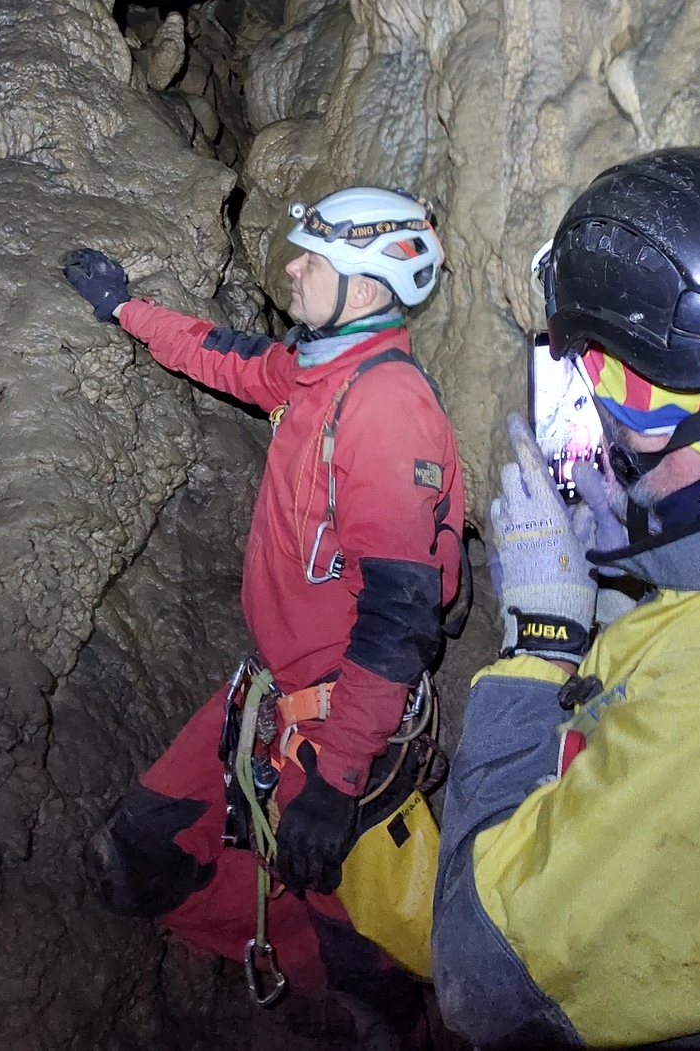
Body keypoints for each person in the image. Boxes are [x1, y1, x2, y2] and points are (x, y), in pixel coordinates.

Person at [64, 187, 465, 1039]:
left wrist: (338, 781)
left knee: (373, 990)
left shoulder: (388, 412)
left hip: (343, 727)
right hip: (273, 697)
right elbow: (230, 357)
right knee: (133, 860)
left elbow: (398, 619)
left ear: (364, 288)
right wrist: (126, 309)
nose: (291, 267)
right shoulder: (318, 372)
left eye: (312, 259)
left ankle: (356, 1001)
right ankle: (287, 955)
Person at [434, 146, 700, 1050]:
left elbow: (484, 980)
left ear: (649, 408)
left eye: (595, 380)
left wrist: (542, 641)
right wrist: (650, 561)